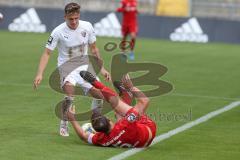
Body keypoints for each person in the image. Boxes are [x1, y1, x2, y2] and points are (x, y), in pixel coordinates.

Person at [33, 3, 110, 137]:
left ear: (79, 16)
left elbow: (94, 49)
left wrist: (102, 69)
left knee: (99, 95)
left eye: (76, 18)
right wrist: (40, 74)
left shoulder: (87, 26)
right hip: (66, 67)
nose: (74, 21)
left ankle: (95, 122)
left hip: (85, 66)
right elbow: (47, 53)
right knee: (69, 95)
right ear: (65, 17)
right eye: (71, 19)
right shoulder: (58, 31)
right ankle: (64, 121)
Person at [67, 71, 156, 148]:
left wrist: (72, 118)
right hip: (148, 127)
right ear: (109, 120)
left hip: (138, 143)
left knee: (118, 114)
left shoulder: (102, 139)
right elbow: (144, 101)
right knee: (115, 102)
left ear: (98, 132)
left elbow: (83, 136)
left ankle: (122, 95)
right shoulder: (126, 123)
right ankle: (118, 92)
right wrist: (130, 87)